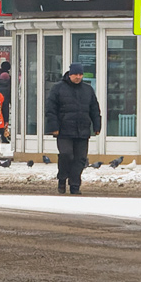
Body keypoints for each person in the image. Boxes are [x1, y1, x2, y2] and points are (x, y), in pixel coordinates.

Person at [45, 61, 102, 194]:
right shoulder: (58, 88)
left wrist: (97, 125)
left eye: (80, 74)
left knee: (80, 159)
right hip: (64, 130)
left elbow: (94, 109)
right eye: (76, 74)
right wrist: (54, 127)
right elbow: (51, 109)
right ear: (70, 74)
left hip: (82, 130)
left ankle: (75, 185)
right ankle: (62, 178)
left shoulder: (88, 89)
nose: (78, 77)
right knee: (66, 155)